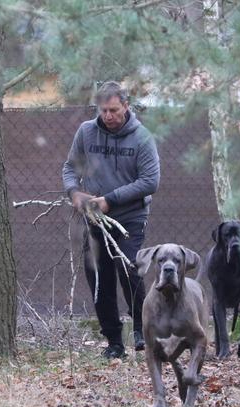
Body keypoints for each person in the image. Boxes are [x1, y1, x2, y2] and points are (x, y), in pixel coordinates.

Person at [62, 81, 160, 358]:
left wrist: (110, 199)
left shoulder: (142, 138)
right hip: (93, 219)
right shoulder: (86, 132)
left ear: (126, 106)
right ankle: (114, 342)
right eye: (103, 110)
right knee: (98, 279)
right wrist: (74, 193)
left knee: (129, 270)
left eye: (114, 110)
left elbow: (150, 181)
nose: (108, 116)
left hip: (130, 218)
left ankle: (142, 328)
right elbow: (70, 168)